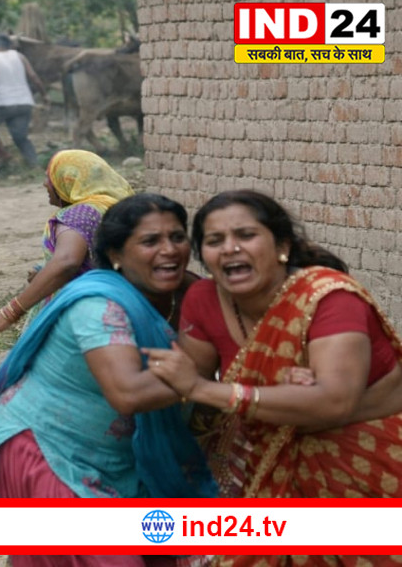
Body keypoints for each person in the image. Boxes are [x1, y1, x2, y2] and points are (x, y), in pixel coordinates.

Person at [0, 194, 215, 567]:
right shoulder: (98, 306)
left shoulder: (190, 294)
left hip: (117, 459)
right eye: (150, 242)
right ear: (115, 254)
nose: (169, 250)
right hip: (48, 450)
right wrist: (207, 386)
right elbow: (127, 393)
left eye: (177, 238)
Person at [144, 190, 402, 505]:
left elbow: (335, 401)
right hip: (260, 461)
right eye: (214, 241)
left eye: (246, 235)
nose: (230, 248)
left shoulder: (329, 298)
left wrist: (203, 389)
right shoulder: (204, 298)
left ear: (282, 246)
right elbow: (187, 386)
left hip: (366, 458)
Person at [0, 150, 134, 343]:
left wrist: (9, 313)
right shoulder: (117, 207)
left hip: (81, 317)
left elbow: (67, 262)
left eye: (48, 177)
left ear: (67, 179)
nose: (45, 184)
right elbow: (93, 252)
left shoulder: (80, 214)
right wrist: (43, 268)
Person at [0, 33, 48, 169]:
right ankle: (34, 165)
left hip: (3, 103)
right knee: (20, 136)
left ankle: (4, 155)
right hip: (25, 101)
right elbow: (33, 76)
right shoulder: (20, 56)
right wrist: (44, 94)